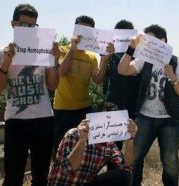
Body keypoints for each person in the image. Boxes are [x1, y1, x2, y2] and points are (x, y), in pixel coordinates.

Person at [0, 4, 60, 186]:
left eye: (33, 27)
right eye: (24, 25)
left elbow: (53, 84)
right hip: (16, 121)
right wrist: (6, 63)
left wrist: (55, 60)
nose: (30, 30)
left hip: (44, 119)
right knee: (13, 176)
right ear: (13, 24)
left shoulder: (42, 51)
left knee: (42, 176)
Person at [118, 24, 179, 186]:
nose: (146, 43)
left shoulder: (178, 62)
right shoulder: (144, 60)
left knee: (170, 162)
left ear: (163, 41)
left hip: (170, 120)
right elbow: (123, 70)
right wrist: (130, 49)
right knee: (135, 158)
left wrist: (173, 77)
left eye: (150, 40)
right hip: (145, 118)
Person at [53, 15, 114, 155]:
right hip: (62, 109)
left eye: (88, 31)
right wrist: (72, 50)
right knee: (60, 149)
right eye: (81, 29)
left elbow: (98, 80)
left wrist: (105, 60)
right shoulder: (62, 50)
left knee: (82, 149)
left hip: (83, 109)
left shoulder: (91, 57)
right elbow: (61, 73)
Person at [47, 104, 137, 186]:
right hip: (63, 183)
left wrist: (131, 138)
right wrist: (82, 141)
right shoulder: (73, 134)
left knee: (125, 177)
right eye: (104, 119)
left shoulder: (109, 145)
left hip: (85, 183)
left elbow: (126, 165)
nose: (108, 125)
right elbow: (68, 168)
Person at [103, 20, 141, 164]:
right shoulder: (110, 53)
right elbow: (101, 78)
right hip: (114, 106)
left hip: (134, 106)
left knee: (134, 148)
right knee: (113, 150)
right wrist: (106, 57)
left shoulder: (139, 55)